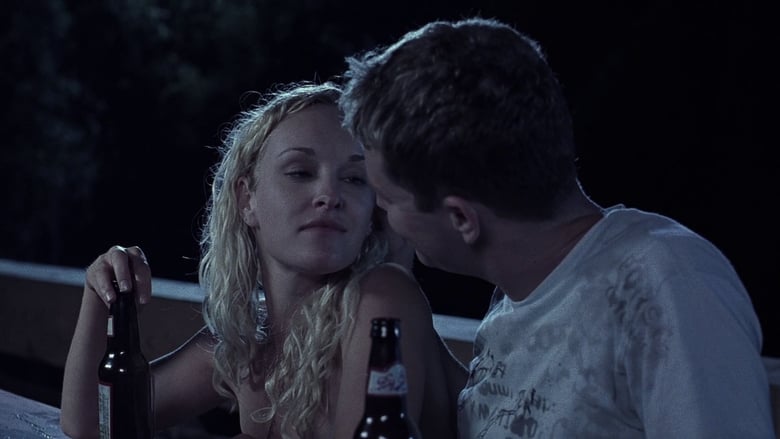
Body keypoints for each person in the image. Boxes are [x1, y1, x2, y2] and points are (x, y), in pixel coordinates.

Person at [338, 17, 775, 438]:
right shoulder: (521, 290)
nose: (380, 213)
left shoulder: (668, 283)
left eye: (388, 198)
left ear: (462, 219)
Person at [60, 81, 466, 439]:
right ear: (246, 199)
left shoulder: (384, 298)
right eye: (300, 172)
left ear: (371, 212)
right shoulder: (245, 343)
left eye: (355, 179)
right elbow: (92, 425)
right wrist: (102, 293)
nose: (330, 195)